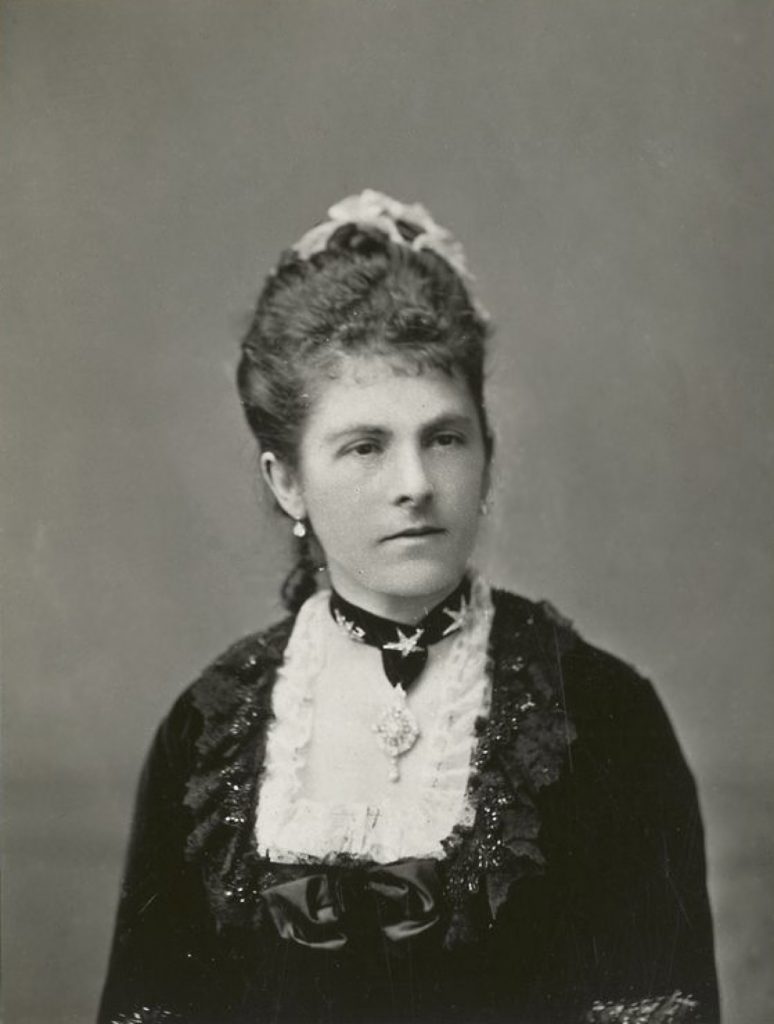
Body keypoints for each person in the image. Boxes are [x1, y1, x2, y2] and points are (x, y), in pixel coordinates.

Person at [99, 190, 720, 1024]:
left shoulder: (603, 717)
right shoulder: (206, 739)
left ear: (487, 455)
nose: (416, 485)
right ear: (287, 480)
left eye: (446, 437)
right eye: (365, 446)